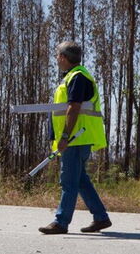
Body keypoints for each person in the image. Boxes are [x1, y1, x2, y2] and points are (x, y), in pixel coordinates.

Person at [39, 41, 112, 235]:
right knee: (80, 180)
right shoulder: (75, 76)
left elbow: (74, 107)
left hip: (76, 138)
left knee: (68, 181)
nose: (56, 59)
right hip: (79, 137)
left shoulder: (78, 77)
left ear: (63, 57)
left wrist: (64, 136)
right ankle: (101, 217)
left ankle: (61, 222)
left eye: (57, 56)